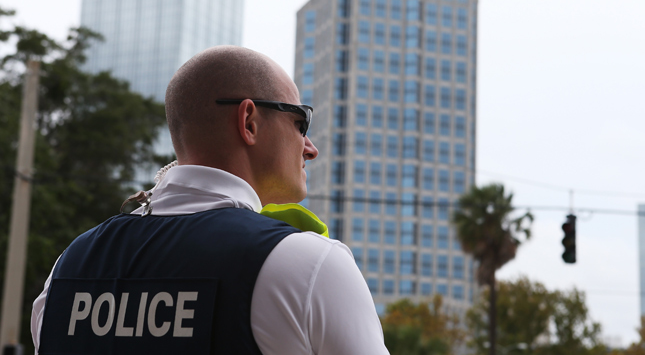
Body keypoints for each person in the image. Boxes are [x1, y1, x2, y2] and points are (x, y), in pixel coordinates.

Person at [30, 46, 390, 354]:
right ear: (249, 121)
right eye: (300, 123)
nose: (310, 149)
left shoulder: (69, 266)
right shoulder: (309, 266)